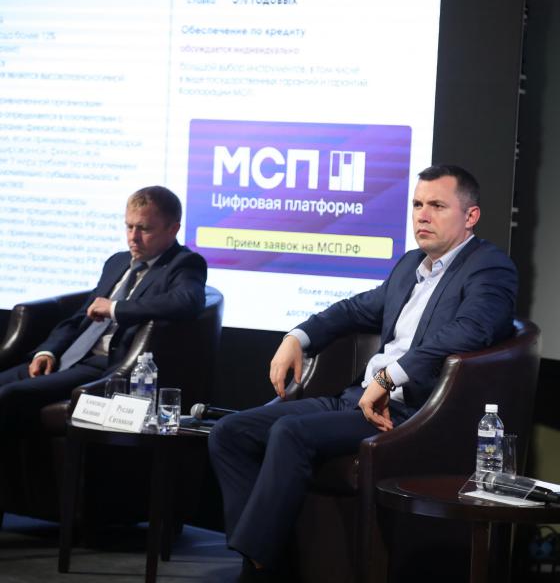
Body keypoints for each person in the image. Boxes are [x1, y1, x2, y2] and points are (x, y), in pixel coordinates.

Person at [208, 164, 518, 581]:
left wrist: (389, 378)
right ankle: (266, 559)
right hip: (356, 400)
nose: (423, 216)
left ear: (470, 216)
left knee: (290, 433)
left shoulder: (489, 268)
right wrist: (297, 336)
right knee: (230, 432)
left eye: (437, 206)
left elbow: (472, 330)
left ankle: (257, 570)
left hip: (411, 414)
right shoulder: (411, 265)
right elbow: (355, 309)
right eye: (417, 205)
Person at [0, 186, 208, 435]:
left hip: (100, 366)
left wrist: (115, 308)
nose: (133, 237)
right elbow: (80, 317)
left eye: (144, 229)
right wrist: (48, 351)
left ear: (172, 229)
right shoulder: (117, 261)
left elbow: (188, 301)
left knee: (9, 395)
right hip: (66, 357)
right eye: (129, 227)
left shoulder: (184, 263)